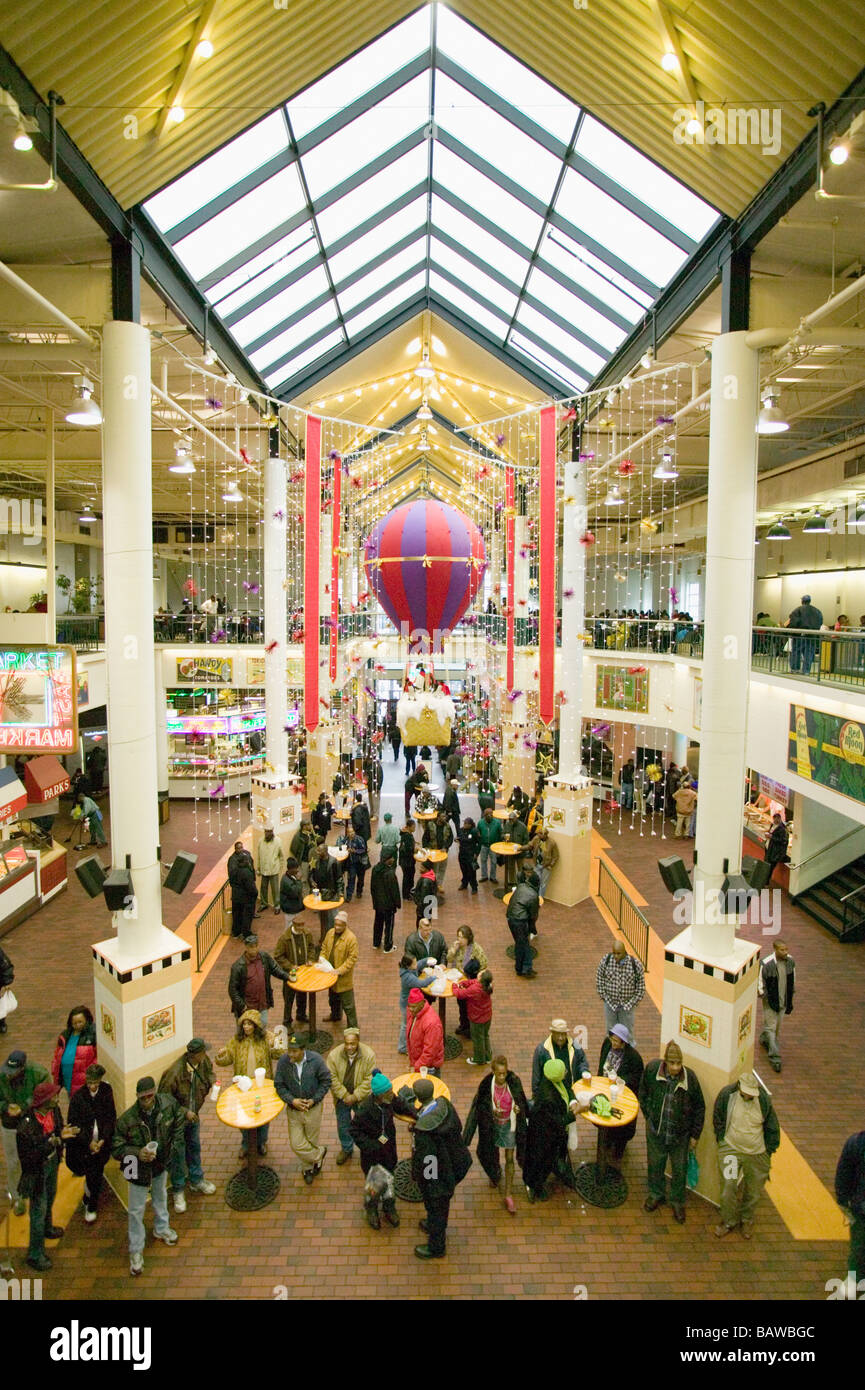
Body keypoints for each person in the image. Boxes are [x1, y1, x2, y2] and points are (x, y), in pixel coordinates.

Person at [112, 1076, 185, 1277]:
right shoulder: (126, 1120)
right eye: (143, 1097)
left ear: (154, 1093)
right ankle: (136, 1250)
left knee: (160, 1195)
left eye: (150, 1096)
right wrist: (138, 1153)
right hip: (134, 1166)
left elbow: (178, 1123)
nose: (146, 1100)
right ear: (137, 1097)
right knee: (135, 1209)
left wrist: (173, 1148)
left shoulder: (168, 1104)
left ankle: (162, 1228)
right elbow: (116, 1149)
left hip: (160, 1162)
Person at [639, 1041, 705, 1224]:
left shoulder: (689, 1078)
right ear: (665, 1062)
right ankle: (656, 1194)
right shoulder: (653, 1070)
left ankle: (677, 1202)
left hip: (680, 1136)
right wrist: (649, 1115)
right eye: (672, 1063)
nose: (676, 1068)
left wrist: (695, 1135)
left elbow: (700, 1107)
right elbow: (642, 1091)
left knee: (679, 1170)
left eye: (678, 1064)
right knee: (655, 1165)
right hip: (656, 1131)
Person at [713, 1070, 780, 1239]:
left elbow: (772, 1127)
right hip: (731, 1150)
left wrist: (768, 1151)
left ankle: (747, 1219)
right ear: (740, 1088)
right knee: (728, 1187)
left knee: (754, 1191)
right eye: (746, 1094)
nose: (749, 1097)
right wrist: (722, 1140)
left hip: (757, 1154)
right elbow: (718, 1117)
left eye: (752, 1094)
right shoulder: (727, 1095)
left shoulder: (763, 1100)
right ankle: (728, 1220)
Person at [411, 1077, 472, 1259]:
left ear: (418, 1098)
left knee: (437, 1207)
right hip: (455, 1162)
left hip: (439, 1176)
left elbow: (428, 1160)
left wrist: (428, 1184)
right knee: (437, 1208)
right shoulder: (444, 1106)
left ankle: (436, 1247)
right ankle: (432, 1223)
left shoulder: (425, 1132)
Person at [17, 1079, 74, 1272]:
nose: (57, 1097)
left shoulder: (54, 1111)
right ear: (44, 1101)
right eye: (53, 1096)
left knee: (50, 1197)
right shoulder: (25, 1127)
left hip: (52, 1163)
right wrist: (54, 1142)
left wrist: (61, 1134)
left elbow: (58, 1128)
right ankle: (35, 1254)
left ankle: (48, 1228)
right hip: (37, 1171)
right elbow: (28, 1157)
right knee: (38, 1211)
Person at [463, 1055, 529, 1214]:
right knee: (490, 1154)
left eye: (504, 1073)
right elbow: (477, 1110)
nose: (502, 1077)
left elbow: (522, 1102)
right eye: (499, 1074)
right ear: (493, 1072)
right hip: (492, 1127)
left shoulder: (514, 1082)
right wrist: (490, 1112)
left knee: (509, 1159)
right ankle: (494, 1174)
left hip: (509, 1126)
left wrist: (518, 1110)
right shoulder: (485, 1086)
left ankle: (508, 1194)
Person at [158, 1038, 218, 1212]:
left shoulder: (203, 1062)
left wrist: (213, 1082)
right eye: (203, 1052)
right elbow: (165, 1101)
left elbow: (210, 1073)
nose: (206, 1054)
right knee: (177, 1154)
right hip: (176, 1122)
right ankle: (178, 1190)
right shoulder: (174, 1074)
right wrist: (185, 1112)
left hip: (194, 1116)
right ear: (195, 1054)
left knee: (194, 1146)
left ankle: (197, 1180)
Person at [350, 1072, 414, 1228]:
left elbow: (402, 1105)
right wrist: (371, 1146)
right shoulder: (364, 1110)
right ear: (379, 1095)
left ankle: (389, 1207)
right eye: (388, 1092)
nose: (392, 1094)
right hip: (372, 1157)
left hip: (389, 1152)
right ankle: (371, 1209)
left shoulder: (389, 1100)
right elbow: (354, 1131)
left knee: (389, 1181)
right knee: (374, 1185)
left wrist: (417, 1115)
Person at [215, 1010, 279, 1157]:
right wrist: (220, 1056)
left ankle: (261, 1142)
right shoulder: (236, 1041)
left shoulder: (265, 1040)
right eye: (244, 1024)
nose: (246, 1027)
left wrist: (275, 1043)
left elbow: (279, 1054)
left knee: (263, 1115)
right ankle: (246, 1144)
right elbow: (226, 1060)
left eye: (249, 1024)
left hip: (262, 1085)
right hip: (243, 1087)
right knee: (243, 1114)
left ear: (256, 1026)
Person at [523, 1059, 583, 1202]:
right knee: (541, 1163)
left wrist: (573, 1101)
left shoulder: (552, 1081)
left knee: (551, 1158)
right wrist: (575, 1112)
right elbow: (558, 1122)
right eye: (564, 1071)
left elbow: (568, 1089)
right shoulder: (548, 1099)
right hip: (544, 1137)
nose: (566, 1073)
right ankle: (535, 1186)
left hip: (549, 1133)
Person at [274, 1035, 332, 1184]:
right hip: (294, 1111)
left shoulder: (316, 1060)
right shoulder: (283, 1062)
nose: (290, 1055)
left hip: (313, 1109)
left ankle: (307, 1168)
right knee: (296, 1143)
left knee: (311, 1140)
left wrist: (314, 1100)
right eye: (289, 1051)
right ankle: (319, 1154)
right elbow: (279, 1085)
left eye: (294, 1051)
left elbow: (326, 1081)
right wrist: (292, 1100)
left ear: (303, 1050)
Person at [65, 1062, 116, 1223]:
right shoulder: (78, 1097)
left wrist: (102, 1140)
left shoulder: (106, 1092)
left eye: (95, 1083)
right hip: (84, 1145)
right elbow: (73, 1124)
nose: (92, 1086)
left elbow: (110, 1117)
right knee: (92, 1173)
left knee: (96, 1173)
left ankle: (90, 1200)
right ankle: (90, 1200)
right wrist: (89, 1142)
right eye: (90, 1083)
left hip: (101, 1143)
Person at [327, 1027, 376, 1165]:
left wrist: (354, 1096)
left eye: (353, 1043)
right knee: (343, 1124)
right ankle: (347, 1149)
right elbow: (332, 1078)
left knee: (364, 1124)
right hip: (341, 1098)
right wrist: (344, 1095)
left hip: (361, 1098)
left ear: (358, 1042)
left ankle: (366, 1150)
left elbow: (369, 1080)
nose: (349, 1047)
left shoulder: (368, 1055)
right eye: (347, 1043)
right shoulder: (334, 1056)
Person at [598, 1023, 644, 1165]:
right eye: (612, 1039)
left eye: (617, 1041)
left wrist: (620, 1080)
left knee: (620, 1125)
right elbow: (602, 1062)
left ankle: (619, 1148)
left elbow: (636, 1078)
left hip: (621, 1094)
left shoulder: (634, 1058)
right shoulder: (607, 1044)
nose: (613, 1043)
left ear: (624, 1043)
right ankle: (606, 1140)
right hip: (606, 1088)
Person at [228, 933, 288, 1025]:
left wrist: (287, 977)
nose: (254, 949)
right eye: (251, 947)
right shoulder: (238, 966)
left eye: (255, 946)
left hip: (262, 1005)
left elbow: (275, 969)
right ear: (246, 947)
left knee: (262, 1030)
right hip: (247, 1007)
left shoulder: (264, 957)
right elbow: (232, 990)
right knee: (245, 1034)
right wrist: (241, 1005)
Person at [274, 913, 318, 1030]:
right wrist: (290, 966)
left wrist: (310, 959)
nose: (300, 929)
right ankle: (287, 1022)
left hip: (304, 972)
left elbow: (311, 947)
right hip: (290, 974)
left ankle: (301, 1014)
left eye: (302, 926)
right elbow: (278, 956)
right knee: (288, 999)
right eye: (298, 926)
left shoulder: (307, 934)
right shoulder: (285, 938)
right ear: (293, 925)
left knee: (302, 995)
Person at [758, 938, 795, 1073]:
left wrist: (791, 996)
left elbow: (793, 978)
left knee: (775, 1027)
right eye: (782, 950)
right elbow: (760, 983)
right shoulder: (767, 964)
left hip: (783, 1001)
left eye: (786, 949)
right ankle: (775, 1058)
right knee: (772, 1028)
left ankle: (764, 1038)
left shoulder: (790, 961)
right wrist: (764, 997)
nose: (785, 952)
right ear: (775, 949)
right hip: (770, 1002)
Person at [596, 940, 646, 1040]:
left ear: (624, 952)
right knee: (610, 1033)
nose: (616, 956)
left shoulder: (635, 965)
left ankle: (628, 1054)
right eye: (614, 953)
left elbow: (641, 987)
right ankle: (611, 1053)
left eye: (618, 953)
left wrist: (631, 1003)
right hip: (610, 1004)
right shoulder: (606, 960)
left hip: (627, 1007)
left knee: (627, 1034)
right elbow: (599, 978)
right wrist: (604, 997)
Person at [835, 1125, 865, 1284]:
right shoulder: (856, 1144)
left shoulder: (856, 1143)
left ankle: (854, 1279)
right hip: (861, 1209)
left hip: (860, 1208)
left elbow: (844, 1174)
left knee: (858, 1247)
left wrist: (843, 1200)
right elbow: (844, 1173)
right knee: (858, 1247)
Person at [531, 1020, 589, 1100]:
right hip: (552, 1097)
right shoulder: (541, 1050)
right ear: (552, 1033)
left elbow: (582, 1060)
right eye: (558, 1034)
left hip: (572, 1092)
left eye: (563, 1034)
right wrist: (537, 1097)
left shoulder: (575, 1045)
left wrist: (584, 1071)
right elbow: (536, 1077)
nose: (561, 1038)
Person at [321, 911, 359, 1027]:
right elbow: (324, 948)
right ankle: (335, 1015)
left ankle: (353, 1028)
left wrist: (339, 971)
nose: (337, 927)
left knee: (348, 1006)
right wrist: (322, 959)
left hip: (343, 979)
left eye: (340, 925)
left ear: (345, 925)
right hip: (330, 974)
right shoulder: (330, 933)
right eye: (335, 924)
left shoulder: (351, 939)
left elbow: (351, 959)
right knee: (333, 999)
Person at [452, 962, 494, 1066]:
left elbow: (460, 994)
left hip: (477, 1019)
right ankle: (488, 1057)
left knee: (477, 1038)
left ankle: (479, 1059)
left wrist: (455, 986)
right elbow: (473, 982)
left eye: (481, 973)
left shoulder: (475, 989)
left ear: (481, 978)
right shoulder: (486, 985)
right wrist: (464, 983)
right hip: (487, 1016)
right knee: (485, 1036)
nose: (480, 972)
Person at [51, 1005, 97, 1097]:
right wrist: (54, 1068)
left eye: (80, 1022)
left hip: (84, 1083)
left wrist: (91, 1077)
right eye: (74, 1023)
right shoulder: (65, 1036)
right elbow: (57, 1055)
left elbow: (96, 1057)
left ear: (87, 1020)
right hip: (67, 1079)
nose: (77, 1025)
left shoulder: (93, 1035)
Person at [397, 953, 435, 1053]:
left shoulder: (409, 969)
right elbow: (421, 983)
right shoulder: (408, 977)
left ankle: (409, 1043)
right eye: (413, 964)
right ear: (408, 966)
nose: (416, 965)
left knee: (408, 1023)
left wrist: (427, 960)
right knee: (405, 1025)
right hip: (407, 1004)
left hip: (409, 1001)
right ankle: (402, 1047)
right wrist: (434, 977)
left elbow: (419, 963)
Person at [506, 870, 540, 978]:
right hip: (520, 921)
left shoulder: (521, 886)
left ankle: (521, 968)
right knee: (524, 945)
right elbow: (533, 915)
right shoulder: (534, 895)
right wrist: (532, 928)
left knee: (520, 944)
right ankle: (524, 969)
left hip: (510, 917)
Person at [406, 988, 444, 1075]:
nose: (410, 1009)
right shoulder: (413, 1012)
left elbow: (430, 1052)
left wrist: (416, 1067)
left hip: (428, 1066)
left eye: (413, 1006)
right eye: (409, 1006)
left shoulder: (432, 1023)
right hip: (419, 1062)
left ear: (422, 1004)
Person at [309, 844, 344, 939]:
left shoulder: (334, 862)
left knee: (332, 917)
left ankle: (333, 937)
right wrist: (312, 881)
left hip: (332, 893)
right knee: (322, 917)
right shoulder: (316, 862)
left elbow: (339, 878)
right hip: (320, 893)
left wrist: (340, 891)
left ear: (325, 851)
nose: (317, 852)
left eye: (319, 851)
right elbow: (311, 874)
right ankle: (324, 936)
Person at [370, 851, 401, 953]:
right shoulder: (390, 873)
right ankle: (388, 946)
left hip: (378, 903)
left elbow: (372, 887)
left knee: (378, 923)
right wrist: (397, 903)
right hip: (388, 905)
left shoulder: (375, 869)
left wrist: (374, 900)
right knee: (389, 925)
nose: (393, 860)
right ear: (388, 859)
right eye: (392, 858)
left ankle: (376, 943)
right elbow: (394, 890)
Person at [786, 593, 823, 673]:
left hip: (799, 635)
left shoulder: (797, 610)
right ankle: (806, 670)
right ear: (810, 601)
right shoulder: (817, 611)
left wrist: (792, 632)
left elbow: (793, 623)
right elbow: (820, 622)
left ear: (802, 601)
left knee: (796, 652)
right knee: (808, 653)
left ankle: (795, 669)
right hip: (811, 636)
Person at [228, 840, 258, 938]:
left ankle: (236, 932)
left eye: (241, 847)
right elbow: (250, 886)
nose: (241, 850)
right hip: (244, 895)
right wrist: (255, 893)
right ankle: (245, 933)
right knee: (243, 914)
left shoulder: (245, 857)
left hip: (237, 894)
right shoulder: (240, 868)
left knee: (238, 914)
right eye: (238, 848)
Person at [422, 811, 453, 893]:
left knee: (442, 868)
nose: (445, 818)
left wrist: (446, 847)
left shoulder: (447, 826)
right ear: (438, 817)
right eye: (443, 816)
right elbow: (425, 837)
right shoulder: (431, 825)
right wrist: (426, 848)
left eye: (445, 816)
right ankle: (433, 886)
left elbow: (450, 838)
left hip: (443, 852)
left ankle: (439, 884)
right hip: (433, 851)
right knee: (434, 869)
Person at [256, 827, 285, 914]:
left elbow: (281, 856)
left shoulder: (278, 841)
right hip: (263, 869)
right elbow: (259, 856)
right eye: (266, 832)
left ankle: (277, 906)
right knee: (263, 888)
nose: (267, 834)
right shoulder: (260, 841)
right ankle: (263, 904)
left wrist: (280, 867)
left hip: (274, 870)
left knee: (275, 889)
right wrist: (258, 868)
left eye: (269, 832)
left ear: (272, 832)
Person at [527, 827, 558, 897]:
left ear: (545, 835)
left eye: (540, 834)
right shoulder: (536, 839)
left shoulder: (552, 843)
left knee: (543, 883)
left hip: (546, 866)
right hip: (537, 864)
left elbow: (556, 856)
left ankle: (540, 898)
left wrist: (551, 865)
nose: (538, 835)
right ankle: (534, 896)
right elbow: (530, 845)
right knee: (535, 880)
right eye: (538, 834)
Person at [290, 819, 320, 891]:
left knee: (312, 877)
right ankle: (304, 895)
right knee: (304, 879)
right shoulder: (298, 837)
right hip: (304, 861)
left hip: (313, 860)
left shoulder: (311, 834)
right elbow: (293, 849)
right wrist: (300, 856)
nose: (310, 826)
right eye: (308, 825)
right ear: (304, 826)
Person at [477, 807, 503, 885]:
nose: (490, 816)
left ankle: (493, 877)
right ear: (484, 815)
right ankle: (484, 876)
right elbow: (478, 832)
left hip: (494, 846)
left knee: (494, 862)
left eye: (491, 814)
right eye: (487, 815)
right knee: (483, 861)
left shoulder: (497, 823)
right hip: (484, 845)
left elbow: (501, 833)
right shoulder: (480, 823)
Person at [278, 856, 305, 930]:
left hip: (294, 907)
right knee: (289, 928)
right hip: (290, 909)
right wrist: (299, 881)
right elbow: (296, 893)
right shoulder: (286, 881)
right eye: (296, 868)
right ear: (291, 869)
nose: (298, 870)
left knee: (295, 926)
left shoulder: (291, 876)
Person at [455, 816, 480, 894]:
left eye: (466, 823)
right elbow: (459, 837)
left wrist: (476, 853)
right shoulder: (461, 830)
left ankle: (474, 887)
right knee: (464, 870)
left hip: (471, 855)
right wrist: (456, 839)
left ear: (470, 824)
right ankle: (464, 884)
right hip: (462, 854)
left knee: (471, 872)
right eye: (464, 823)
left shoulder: (474, 831)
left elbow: (479, 843)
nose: (464, 824)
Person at [344, 827, 369, 902]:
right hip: (352, 863)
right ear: (347, 833)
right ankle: (349, 895)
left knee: (360, 879)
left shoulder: (359, 839)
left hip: (360, 863)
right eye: (349, 832)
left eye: (352, 832)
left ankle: (359, 891)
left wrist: (355, 851)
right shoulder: (346, 840)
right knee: (351, 878)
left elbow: (364, 850)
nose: (351, 834)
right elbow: (341, 844)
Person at [412, 860, 439, 925]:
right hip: (429, 907)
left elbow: (423, 898)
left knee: (421, 925)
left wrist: (420, 911)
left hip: (424, 909)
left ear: (426, 869)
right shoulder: (432, 876)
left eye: (422, 867)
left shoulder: (425, 882)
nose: (420, 869)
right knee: (428, 923)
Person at [765, 813, 789, 880]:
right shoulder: (773, 825)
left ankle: (766, 882)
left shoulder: (782, 829)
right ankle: (764, 880)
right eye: (774, 819)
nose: (775, 821)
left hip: (774, 852)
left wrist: (771, 837)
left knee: (770, 868)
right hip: (769, 849)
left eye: (776, 819)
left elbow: (783, 841)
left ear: (779, 819)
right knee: (766, 866)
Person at [398, 818, 417, 902]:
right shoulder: (407, 836)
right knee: (407, 878)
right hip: (407, 861)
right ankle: (406, 895)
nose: (415, 828)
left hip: (406, 861)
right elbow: (408, 849)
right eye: (413, 826)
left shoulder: (406, 834)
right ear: (409, 827)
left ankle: (408, 892)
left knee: (409, 876)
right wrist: (415, 850)